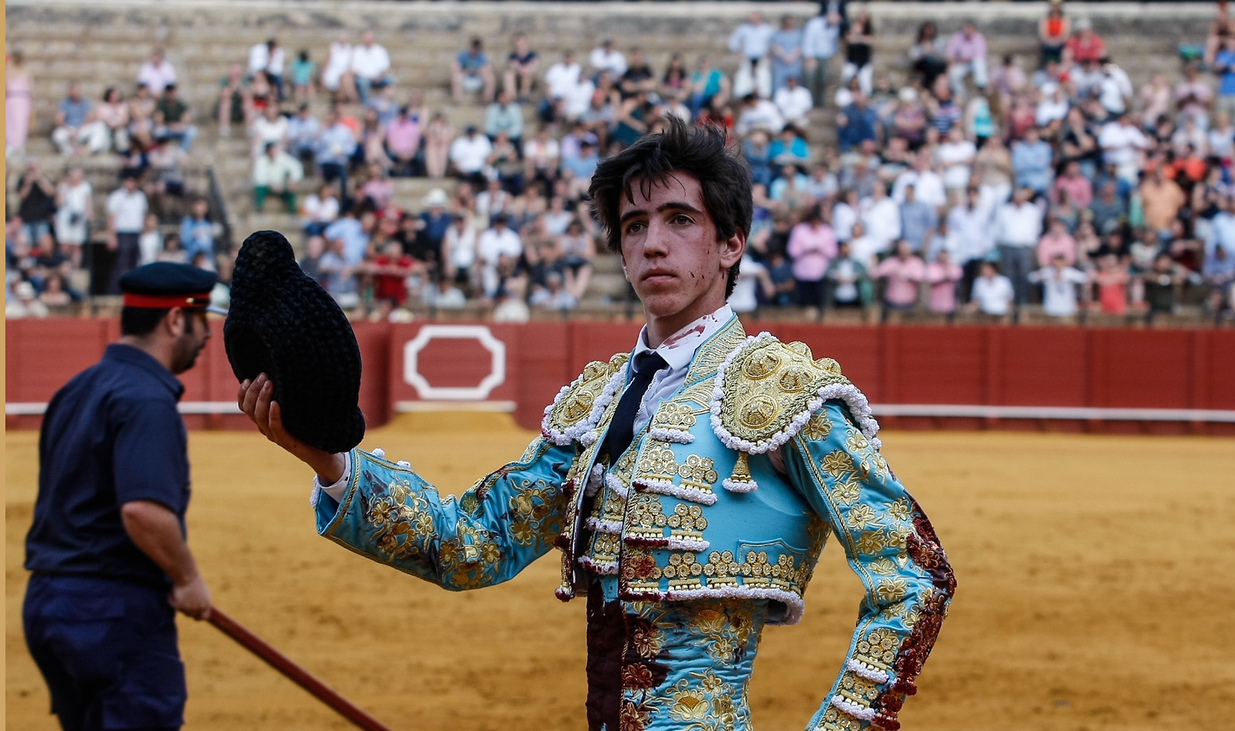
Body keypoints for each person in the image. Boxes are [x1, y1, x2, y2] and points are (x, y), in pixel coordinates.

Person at [236, 118, 953, 731]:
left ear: (730, 243)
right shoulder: (598, 401)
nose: (652, 244)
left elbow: (914, 576)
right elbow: (470, 544)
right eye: (633, 226)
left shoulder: (780, 392)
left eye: (679, 220)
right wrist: (331, 462)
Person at [24, 262, 219, 731]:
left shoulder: (76, 389)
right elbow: (143, 510)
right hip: (112, 610)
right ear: (176, 320)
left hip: (49, 602)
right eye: (202, 319)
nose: (208, 334)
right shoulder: (147, 401)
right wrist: (187, 577)